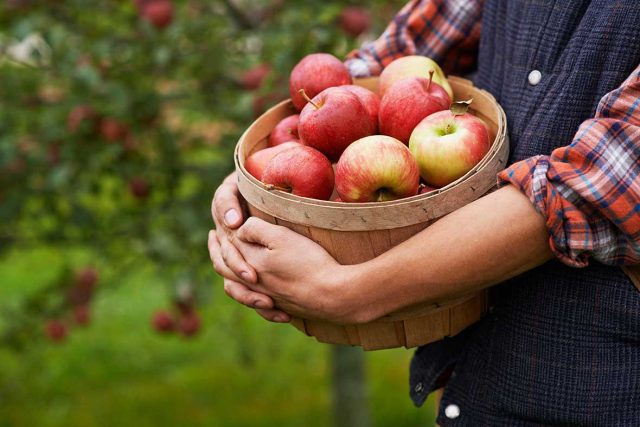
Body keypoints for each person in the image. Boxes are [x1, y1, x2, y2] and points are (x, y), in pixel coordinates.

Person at [209, 0, 640, 424]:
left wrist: (349, 291)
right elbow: (407, 49)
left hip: (593, 388)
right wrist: (263, 175)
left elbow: (596, 184)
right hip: (469, 383)